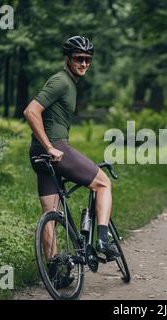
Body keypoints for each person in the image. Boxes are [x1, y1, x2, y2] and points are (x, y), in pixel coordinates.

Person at [24, 36, 120, 269]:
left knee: (51, 214)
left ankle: (57, 270)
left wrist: (44, 148)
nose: (84, 63)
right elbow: (31, 111)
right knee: (103, 183)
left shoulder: (67, 82)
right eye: (79, 58)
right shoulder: (62, 81)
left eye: (87, 59)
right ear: (67, 59)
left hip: (37, 154)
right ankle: (103, 240)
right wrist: (50, 146)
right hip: (55, 149)